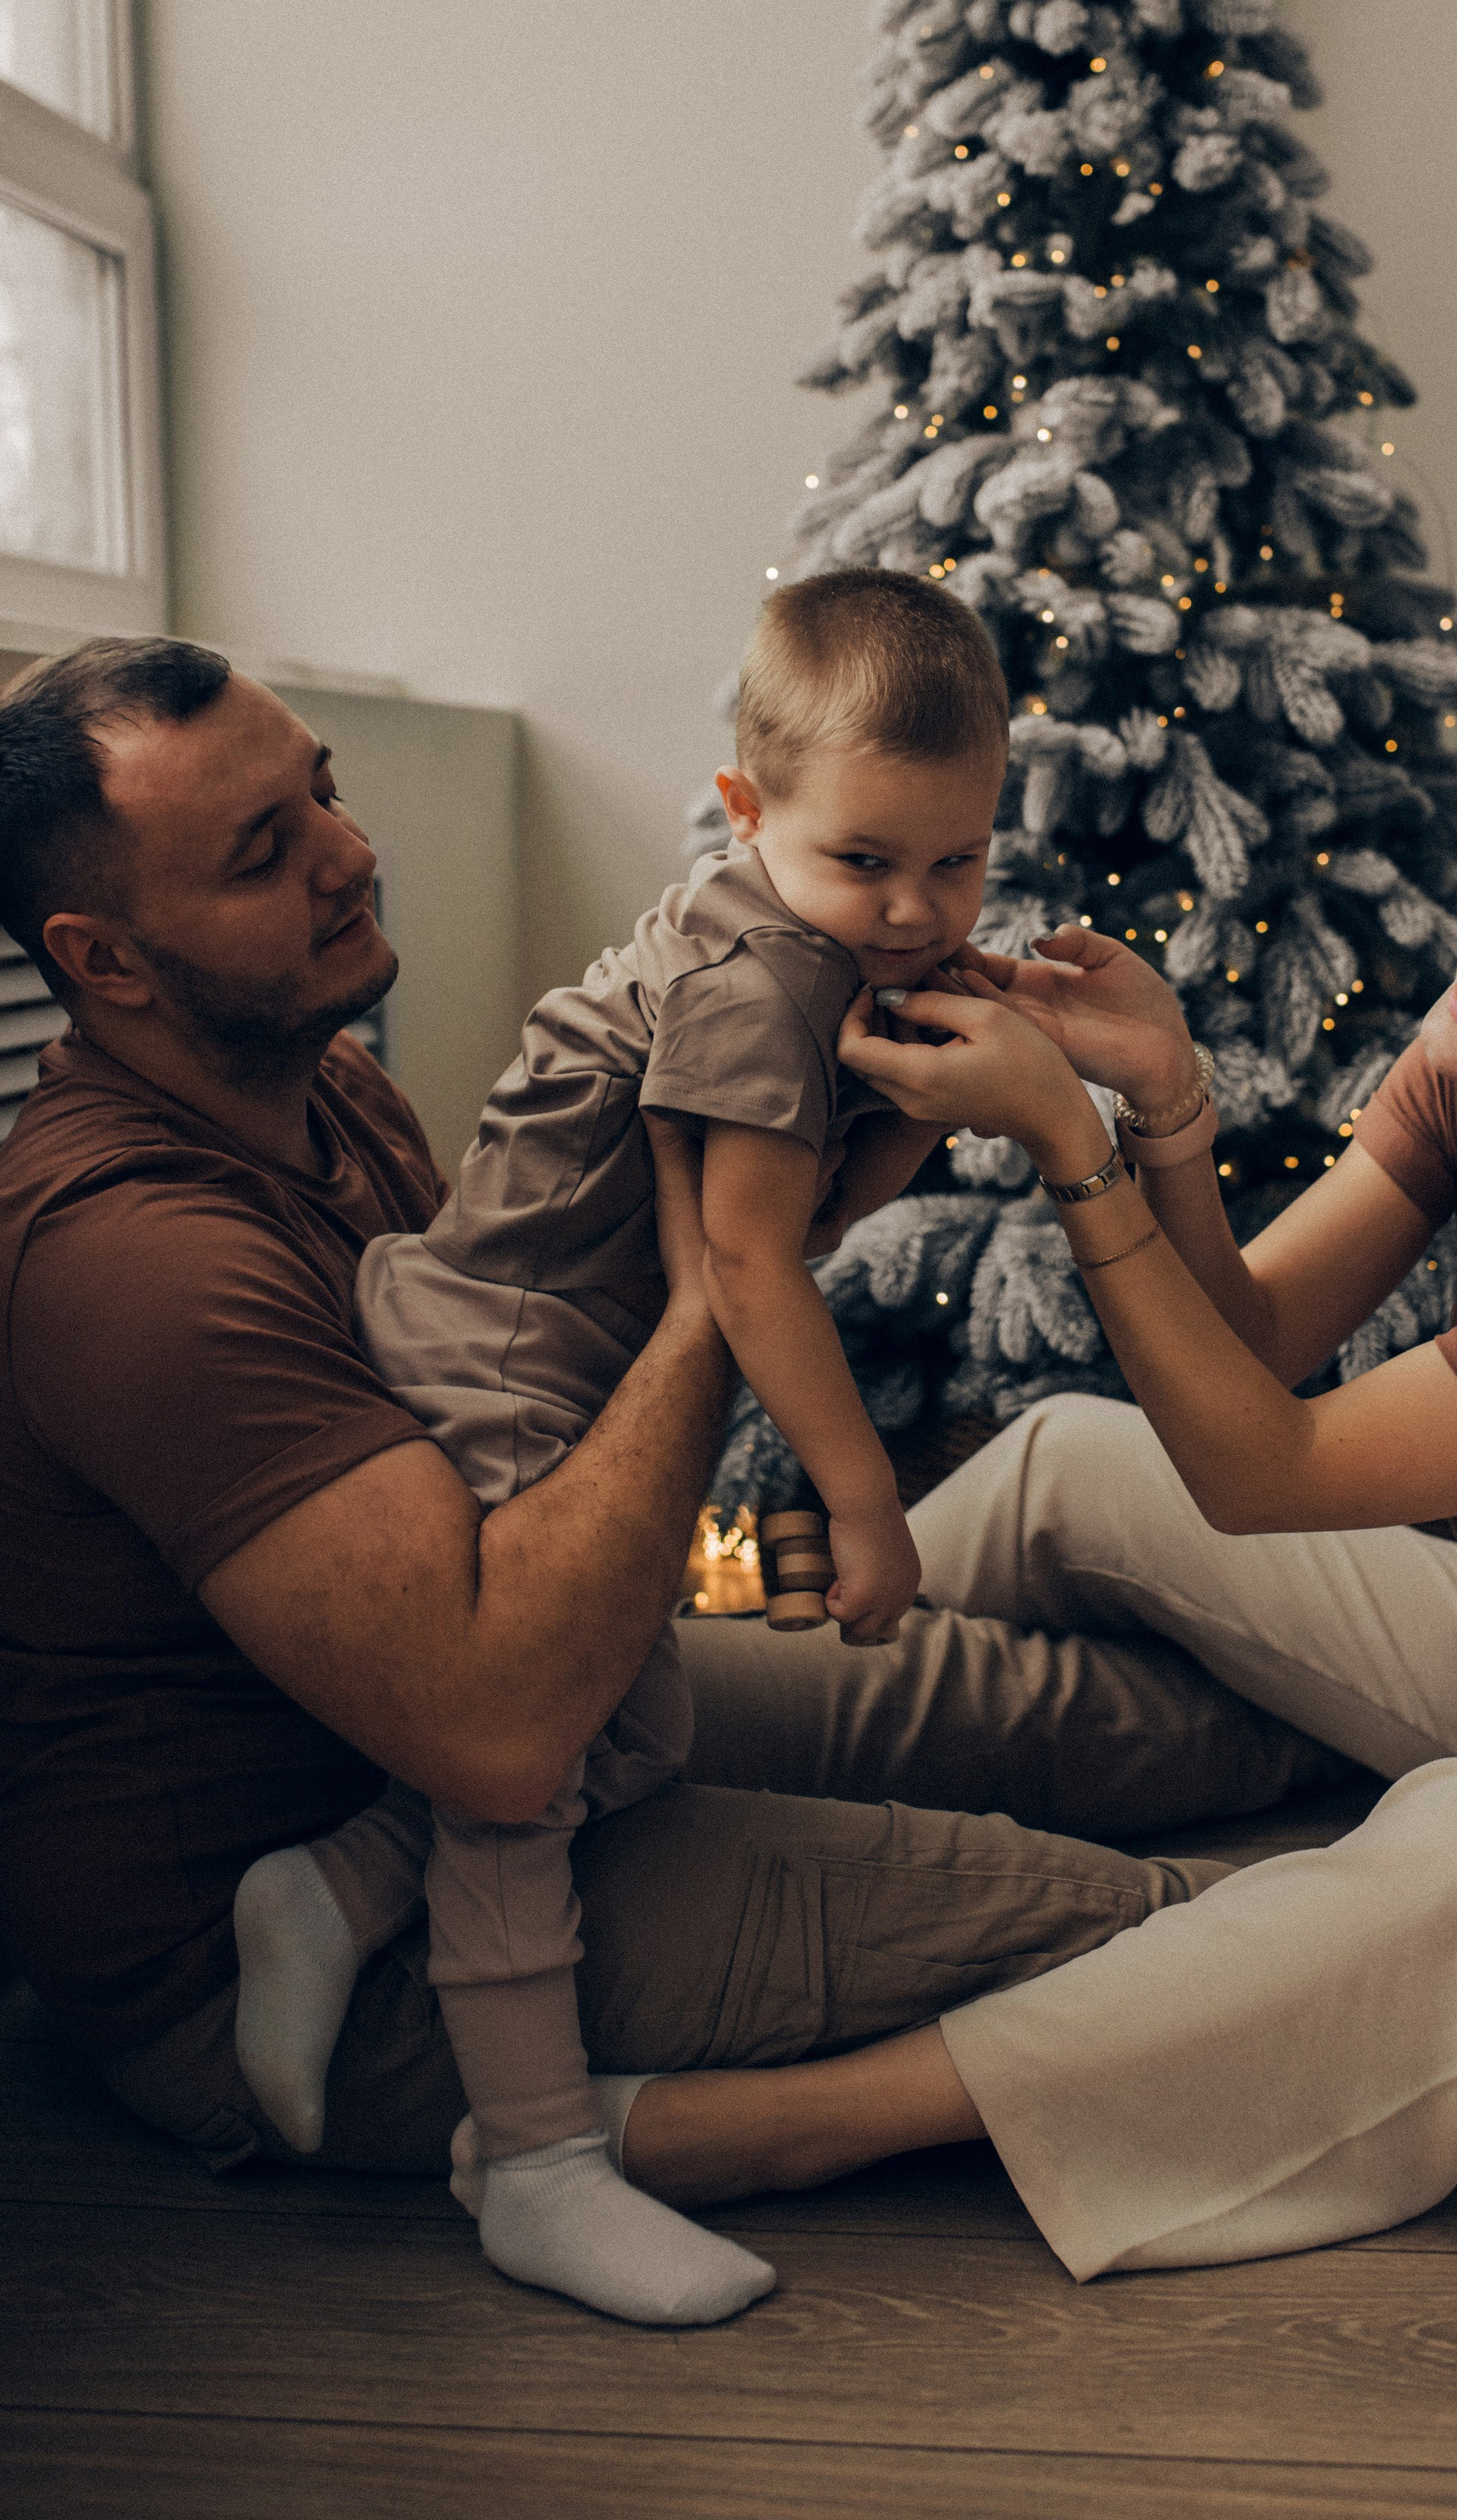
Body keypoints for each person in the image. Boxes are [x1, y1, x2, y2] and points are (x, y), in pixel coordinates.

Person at [0, 636, 1331, 2316]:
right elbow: (501, 1725)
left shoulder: (331, 1090)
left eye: (323, 789)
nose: (347, 851)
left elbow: (531, 1434)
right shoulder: (134, 1266)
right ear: (104, 958)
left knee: (1061, 1711)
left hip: (511, 1697)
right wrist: (729, 1304)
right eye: (262, 849)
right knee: (1144, 1926)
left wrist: (922, 1157)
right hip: (287, 1937)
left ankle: (1449, 1727)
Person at [539, 763, 1457, 2281]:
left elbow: (1260, 1472)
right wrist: (1168, 1104)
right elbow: (1253, 1340)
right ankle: (676, 1612)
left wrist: (1076, 1143)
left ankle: (802, 2122)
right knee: (1066, 1453)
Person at [231, 570, 1012, 2323]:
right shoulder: (755, 981)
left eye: (954, 860)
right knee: (521, 1782)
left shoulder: (804, 947)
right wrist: (861, 1506)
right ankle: (536, 2162)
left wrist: (925, 1095)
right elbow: (743, 1264)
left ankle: (340, 1882)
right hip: (509, 1366)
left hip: (556, 1359)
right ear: (747, 813)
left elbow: (801, 1207)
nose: (910, 908)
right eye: (865, 861)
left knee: (641, 1724)